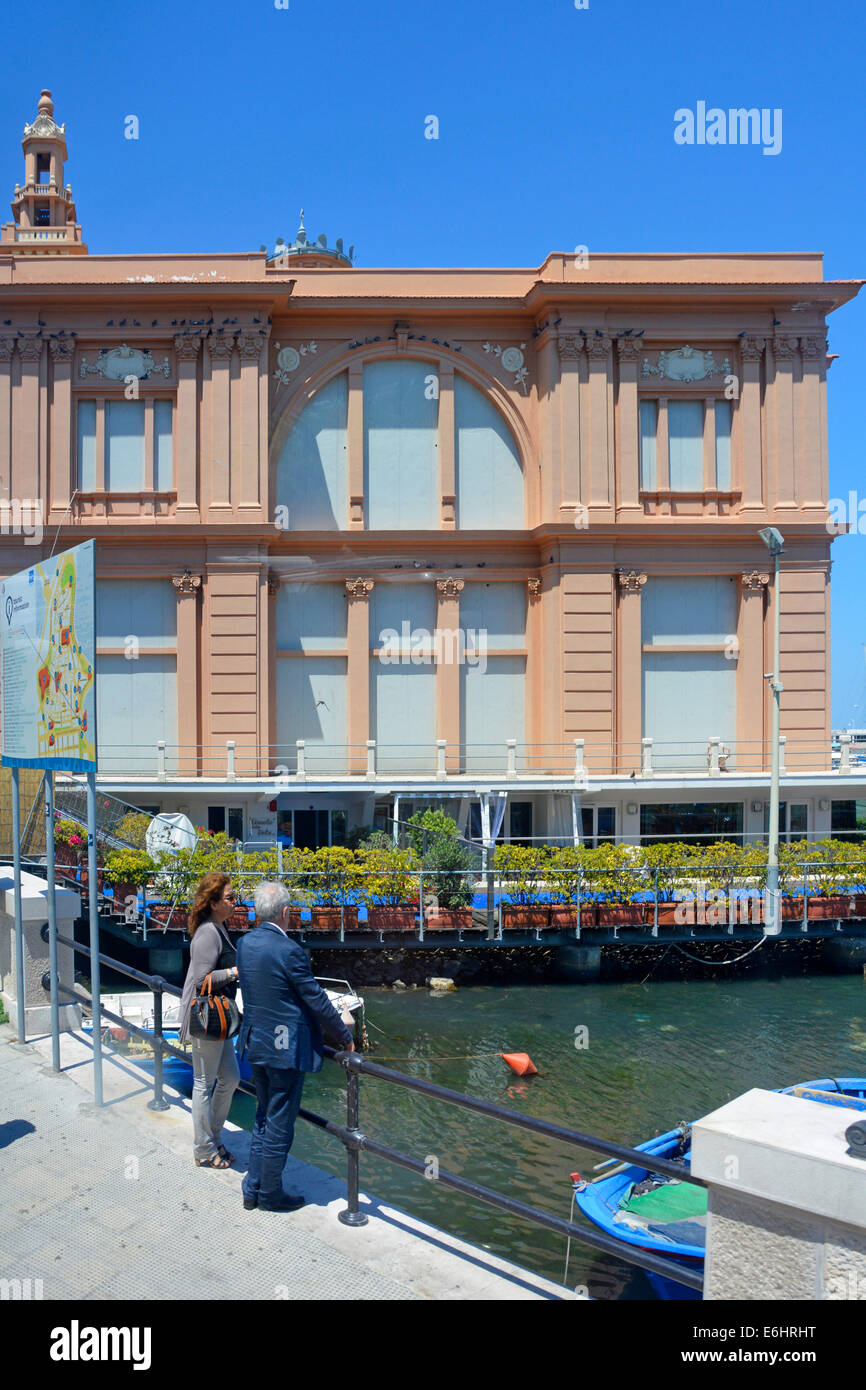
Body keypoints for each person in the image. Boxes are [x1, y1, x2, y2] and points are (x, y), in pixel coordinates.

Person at [237, 881, 354, 1212]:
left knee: (263, 1115)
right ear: (286, 913)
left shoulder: (245, 944)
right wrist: (344, 1037)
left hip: (256, 1042)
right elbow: (314, 997)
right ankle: (270, 1195)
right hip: (283, 1049)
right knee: (279, 1124)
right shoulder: (289, 951)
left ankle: (253, 1188)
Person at [177, 872, 241, 1169]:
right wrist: (234, 973)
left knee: (231, 1077)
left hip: (220, 1020)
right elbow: (202, 979)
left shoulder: (220, 926)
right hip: (205, 1019)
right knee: (203, 1083)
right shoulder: (207, 933)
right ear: (214, 903)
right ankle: (203, 1148)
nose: (234, 902)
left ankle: (213, 1136)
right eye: (229, 897)